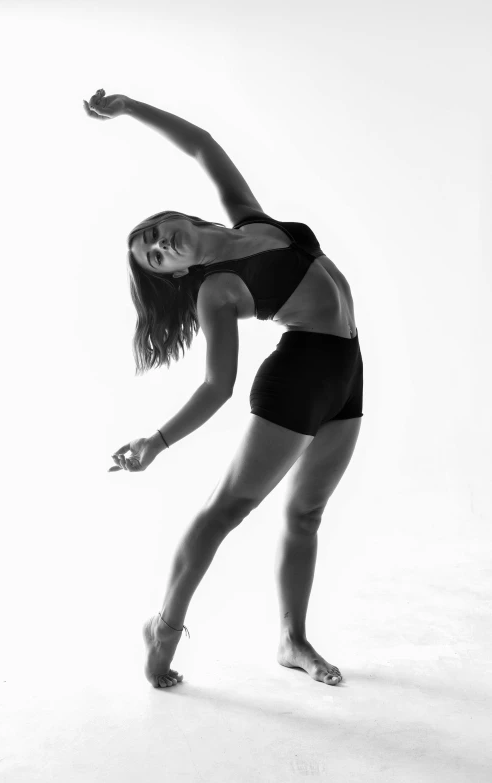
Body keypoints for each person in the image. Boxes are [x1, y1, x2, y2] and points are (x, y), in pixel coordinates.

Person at [84, 88, 364, 689]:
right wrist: (156, 442)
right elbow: (217, 385)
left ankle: (293, 640)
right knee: (225, 512)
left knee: (307, 513)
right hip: (300, 378)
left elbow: (203, 146)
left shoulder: (250, 218)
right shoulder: (218, 291)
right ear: (176, 274)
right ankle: (163, 628)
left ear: (178, 217)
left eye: (157, 232)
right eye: (156, 257)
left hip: (348, 369)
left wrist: (131, 107)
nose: (162, 244)